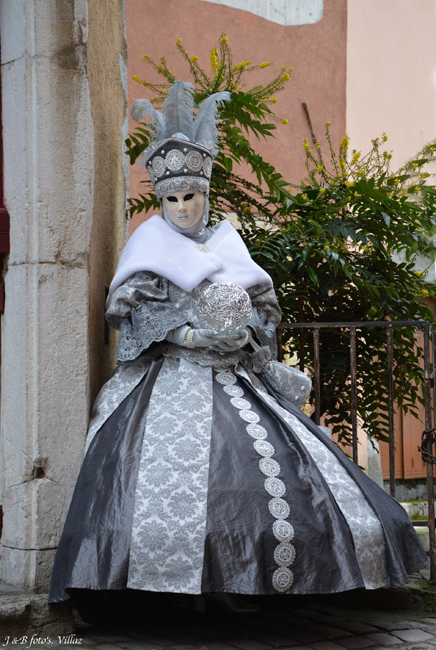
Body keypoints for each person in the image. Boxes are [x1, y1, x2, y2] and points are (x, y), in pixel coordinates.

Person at [49, 81, 427, 610]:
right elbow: (130, 319)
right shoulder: (148, 248)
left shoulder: (230, 245)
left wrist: (242, 333)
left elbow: (263, 316)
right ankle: (159, 593)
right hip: (168, 381)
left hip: (236, 375)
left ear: (205, 195)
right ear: (161, 201)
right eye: (172, 199)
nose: (182, 209)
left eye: (191, 197)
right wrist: (185, 334)